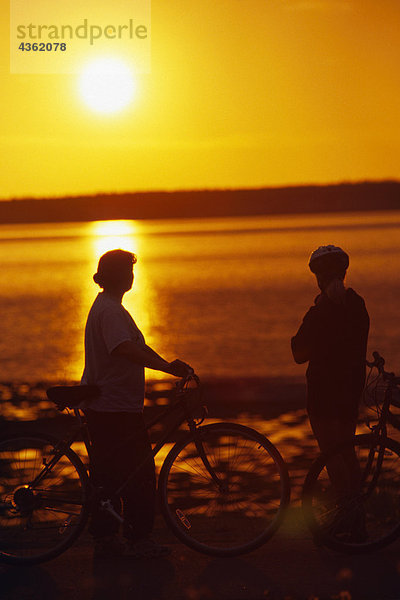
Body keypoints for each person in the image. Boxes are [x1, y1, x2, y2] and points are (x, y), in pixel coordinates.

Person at [81, 249, 192, 558]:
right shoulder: (111, 311)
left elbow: (136, 347)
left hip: (109, 405)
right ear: (118, 276)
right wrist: (167, 368)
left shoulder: (108, 307)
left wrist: (166, 363)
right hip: (113, 407)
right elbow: (124, 349)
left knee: (110, 475)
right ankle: (138, 539)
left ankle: (106, 537)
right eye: (128, 272)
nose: (132, 276)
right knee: (139, 474)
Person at [291, 245, 369, 539]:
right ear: (344, 273)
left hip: (323, 392)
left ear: (318, 278)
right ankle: (356, 519)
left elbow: (299, 353)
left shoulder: (318, 313)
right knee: (347, 452)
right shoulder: (357, 305)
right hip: (351, 390)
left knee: (332, 454)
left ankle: (347, 520)